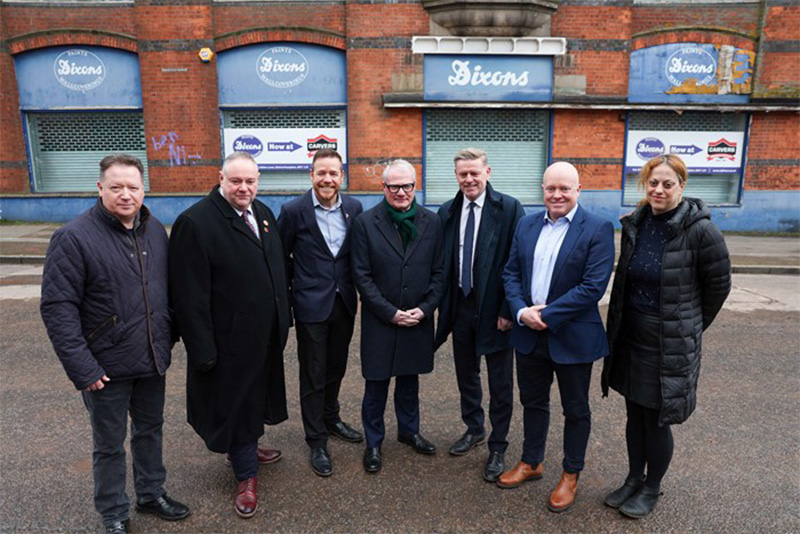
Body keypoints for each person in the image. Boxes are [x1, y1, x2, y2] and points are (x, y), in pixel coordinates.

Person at [40, 154, 190, 534]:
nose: (126, 195)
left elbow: (165, 291)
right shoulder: (73, 237)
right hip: (104, 368)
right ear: (100, 188)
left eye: (133, 187)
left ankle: (151, 493)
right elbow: (58, 309)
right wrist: (84, 368)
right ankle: (113, 513)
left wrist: (167, 336)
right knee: (109, 444)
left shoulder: (155, 229)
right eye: (117, 187)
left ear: (144, 190)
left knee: (150, 430)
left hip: (151, 357)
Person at [601, 154, 731, 519]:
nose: (659, 190)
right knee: (634, 415)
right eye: (653, 183)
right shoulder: (637, 224)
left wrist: (687, 326)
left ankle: (652, 487)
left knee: (657, 420)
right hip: (631, 334)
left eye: (667, 184)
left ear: (682, 186)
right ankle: (632, 478)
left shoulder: (701, 231)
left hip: (667, 340)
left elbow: (718, 286)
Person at [168, 152, 290, 519]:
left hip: (263, 336)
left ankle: (247, 447)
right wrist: (202, 349)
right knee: (238, 404)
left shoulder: (263, 214)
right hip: (227, 342)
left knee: (255, 399)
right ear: (220, 177)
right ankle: (246, 477)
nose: (244, 188)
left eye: (250, 181)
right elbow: (188, 296)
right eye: (236, 181)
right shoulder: (196, 222)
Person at [500, 161, 615, 513]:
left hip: (572, 337)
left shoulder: (596, 228)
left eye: (565, 188)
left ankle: (570, 473)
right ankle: (532, 462)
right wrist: (521, 311)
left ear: (578, 190)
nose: (557, 194)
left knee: (575, 409)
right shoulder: (527, 223)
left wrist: (544, 316)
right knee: (532, 402)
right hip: (528, 335)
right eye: (551, 188)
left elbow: (592, 287)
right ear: (543, 190)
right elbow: (511, 272)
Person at [434, 148, 524, 482]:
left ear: (488, 172)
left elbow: (518, 262)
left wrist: (507, 310)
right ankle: (474, 428)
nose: (469, 179)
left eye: (474, 173)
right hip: (461, 305)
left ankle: (498, 445)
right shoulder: (447, 211)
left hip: (495, 310)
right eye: (463, 174)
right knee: (466, 374)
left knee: (500, 382)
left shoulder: (509, 208)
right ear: (456, 176)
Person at [351, 159, 444, 473]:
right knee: (375, 384)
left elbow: (440, 272)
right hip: (381, 319)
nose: (401, 192)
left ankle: (409, 431)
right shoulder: (365, 223)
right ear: (384, 188)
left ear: (415, 186)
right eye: (394, 186)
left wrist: (426, 308)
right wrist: (389, 312)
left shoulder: (432, 221)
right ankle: (374, 442)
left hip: (417, 317)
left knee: (409, 381)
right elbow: (361, 276)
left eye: (407, 186)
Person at [277, 148, 364, 477]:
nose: (327, 179)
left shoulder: (354, 208)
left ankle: (331, 417)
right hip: (311, 305)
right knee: (312, 372)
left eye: (333, 173)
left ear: (342, 176)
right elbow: (281, 259)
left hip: (344, 302)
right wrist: (289, 299)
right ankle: (315, 439)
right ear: (311, 175)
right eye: (321, 173)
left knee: (336, 367)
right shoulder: (294, 210)